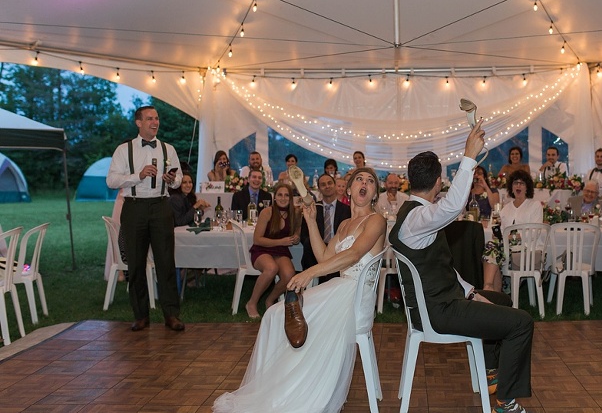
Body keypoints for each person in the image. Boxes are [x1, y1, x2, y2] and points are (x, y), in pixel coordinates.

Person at [212, 168, 386, 413]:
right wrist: (311, 222)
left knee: (296, 317)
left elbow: (354, 255)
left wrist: (308, 273)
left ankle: (294, 392)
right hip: (340, 289)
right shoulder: (346, 223)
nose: (364, 183)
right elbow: (324, 255)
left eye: (370, 181)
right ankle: (271, 388)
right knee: (273, 315)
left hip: (355, 296)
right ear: (348, 189)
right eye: (359, 179)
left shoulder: (376, 220)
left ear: (374, 193)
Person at [390, 120, 533, 413]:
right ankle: (505, 402)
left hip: (445, 301)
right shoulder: (418, 218)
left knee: (500, 300)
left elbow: (442, 267)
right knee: (521, 322)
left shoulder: (416, 215)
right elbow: (452, 207)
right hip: (439, 311)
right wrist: (469, 155)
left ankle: (492, 372)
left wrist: (470, 293)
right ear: (438, 182)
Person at [106, 106, 185, 332]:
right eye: (150, 118)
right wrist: (137, 176)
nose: (155, 122)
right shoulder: (124, 150)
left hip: (161, 206)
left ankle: (171, 315)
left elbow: (179, 178)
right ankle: (141, 316)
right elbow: (111, 181)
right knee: (136, 264)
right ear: (138, 122)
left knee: (166, 262)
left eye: (157, 118)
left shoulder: (168, 149)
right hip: (134, 208)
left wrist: (172, 180)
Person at [243, 183, 300, 320]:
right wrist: (281, 241)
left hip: (281, 251)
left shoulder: (296, 213)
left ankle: (270, 300)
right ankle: (251, 303)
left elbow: (297, 237)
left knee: (289, 274)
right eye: (280, 195)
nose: (283, 198)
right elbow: (257, 239)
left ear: (291, 198)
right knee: (271, 268)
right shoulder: (267, 212)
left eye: (286, 195)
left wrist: (296, 238)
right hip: (262, 249)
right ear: (274, 197)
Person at [483, 170, 543, 292]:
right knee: (491, 248)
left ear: (527, 187)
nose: (518, 186)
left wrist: (512, 238)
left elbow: (535, 233)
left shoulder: (535, 205)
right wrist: (498, 236)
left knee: (492, 251)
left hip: (528, 251)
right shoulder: (506, 209)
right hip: (507, 250)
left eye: (522, 183)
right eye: (515, 183)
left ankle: (490, 290)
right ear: (511, 187)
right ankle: (491, 289)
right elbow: (502, 232)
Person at [300, 173, 351, 274]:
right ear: (319, 189)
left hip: (338, 251)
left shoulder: (347, 210)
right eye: (323, 185)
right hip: (315, 251)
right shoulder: (312, 209)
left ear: (335, 185)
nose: (327, 186)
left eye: (329, 183)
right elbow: (304, 235)